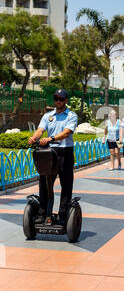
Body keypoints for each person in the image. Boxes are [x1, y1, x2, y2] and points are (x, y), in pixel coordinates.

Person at [28, 89, 78, 224]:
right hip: (49, 153)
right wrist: (34, 137)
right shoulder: (48, 116)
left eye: (61, 99)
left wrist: (51, 138)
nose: (58, 101)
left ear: (66, 101)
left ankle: (63, 215)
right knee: (44, 184)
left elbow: (67, 132)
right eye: (56, 99)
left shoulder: (71, 116)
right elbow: (40, 129)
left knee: (66, 185)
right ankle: (43, 213)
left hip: (65, 153)